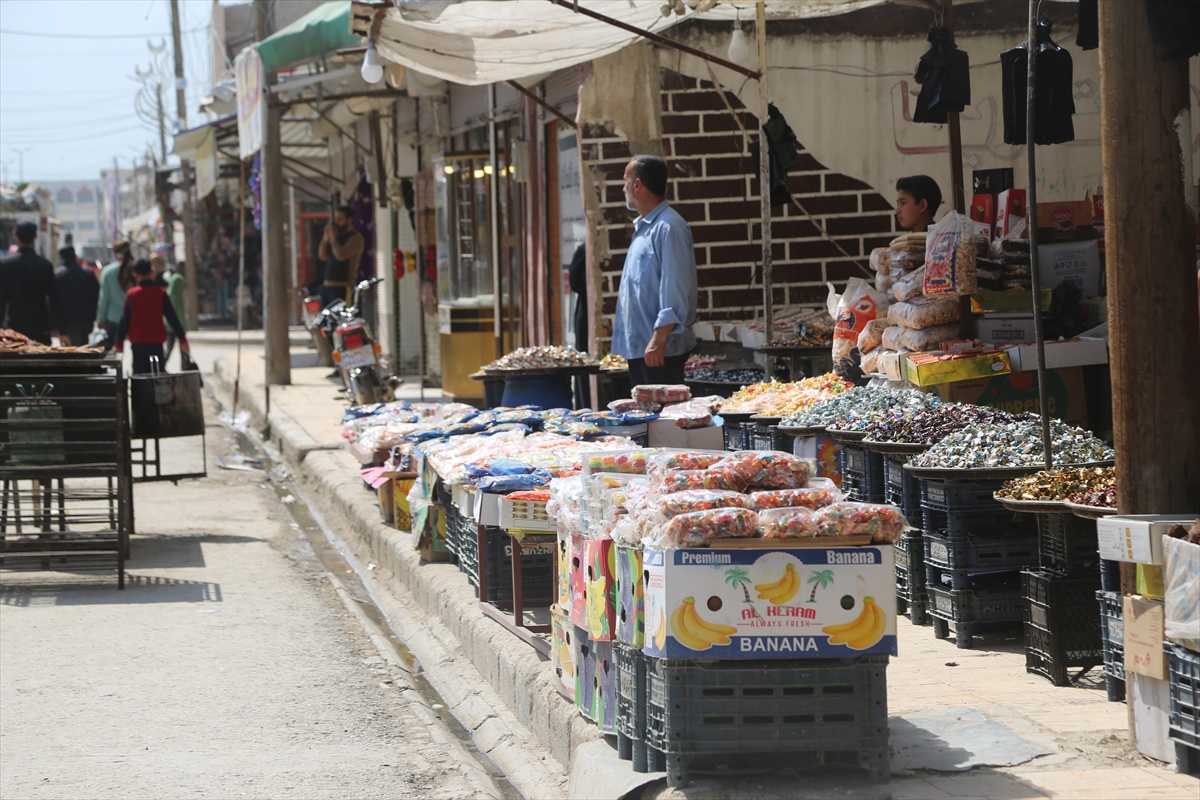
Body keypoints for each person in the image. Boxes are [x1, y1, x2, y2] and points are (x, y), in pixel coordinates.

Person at [610, 155, 697, 387]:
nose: (623, 188)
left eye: (626, 180)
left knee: (663, 420)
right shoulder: (645, 227)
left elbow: (675, 286)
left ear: (637, 184)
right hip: (643, 349)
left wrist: (659, 338)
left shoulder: (669, 227)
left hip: (660, 352)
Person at [112, 259, 189, 375]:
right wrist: (182, 338)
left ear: (135, 275)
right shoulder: (161, 293)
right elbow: (172, 317)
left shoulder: (132, 294)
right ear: (152, 272)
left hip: (137, 342)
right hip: (156, 342)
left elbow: (125, 319)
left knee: (139, 376)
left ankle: (140, 393)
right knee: (157, 375)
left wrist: (118, 343)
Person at [0, 219, 65, 345]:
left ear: (15, 235)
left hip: (13, 330)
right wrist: (63, 332)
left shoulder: (5, 265)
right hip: (40, 329)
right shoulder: (45, 265)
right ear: (35, 236)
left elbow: (1, 300)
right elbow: (55, 300)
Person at [316, 205, 364, 309]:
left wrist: (333, 238)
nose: (336, 223)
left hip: (344, 286)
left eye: (340, 219)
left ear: (349, 220)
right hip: (328, 285)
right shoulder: (336, 238)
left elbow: (341, 255)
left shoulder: (355, 238)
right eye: (335, 219)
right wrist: (325, 239)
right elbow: (323, 255)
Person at [54, 243, 100, 347]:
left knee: (69, 354)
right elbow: (97, 295)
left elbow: (53, 301)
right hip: (85, 320)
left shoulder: (57, 275)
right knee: (84, 350)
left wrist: (56, 325)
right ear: (74, 255)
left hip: (66, 323)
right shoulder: (88, 272)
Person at [95, 240, 135, 350]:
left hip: (114, 317)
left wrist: (101, 319)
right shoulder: (136, 270)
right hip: (135, 316)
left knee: (112, 351)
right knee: (137, 350)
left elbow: (104, 298)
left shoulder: (108, 272)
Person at [151, 253, 188, 364]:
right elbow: (176, 314)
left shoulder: (168, 293)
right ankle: (184, 365)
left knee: (169, 348)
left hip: (168, 327)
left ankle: (163, 364)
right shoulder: (176, 297)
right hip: (176, 326)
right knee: (179, 348)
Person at [567, 242, 591, 409]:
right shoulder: (584, 250)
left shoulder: (584, 249)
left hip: (585, 311)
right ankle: (584, 406)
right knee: (584, 361)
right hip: (584, 313)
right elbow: (574, 282)